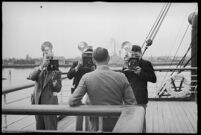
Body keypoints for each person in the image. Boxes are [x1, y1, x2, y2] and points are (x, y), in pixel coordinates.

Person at [69, 47, 137, 132]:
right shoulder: (121, 77)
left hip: (95, 124)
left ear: (93, 60)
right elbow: (132, 103)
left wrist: (84, 105)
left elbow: (72, 101)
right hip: (117, 122)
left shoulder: (86, 77)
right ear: (108, 58)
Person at [28, 41, 62, 130]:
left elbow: (58, 89)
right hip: (38, 104)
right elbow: (31, 77)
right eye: (47, 58)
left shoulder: (57, 71)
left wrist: (55, 84)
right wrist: (42, 66)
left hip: (50, 105)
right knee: (39, 128)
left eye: (51, 58)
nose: (49, 60)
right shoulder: (38, 69)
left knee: (51, 128)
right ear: (43, 58)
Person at [122, 45, 156, 132]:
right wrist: (125, 67)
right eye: (132, 55)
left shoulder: (146, 64)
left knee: (141, 120)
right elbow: (123, 79)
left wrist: (141, 72)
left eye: (136, 55)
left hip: (141, 96)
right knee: (129, 119)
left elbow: (153, 79)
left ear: (141, 54)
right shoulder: (127, 64)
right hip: (129, 96)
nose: (134, 57)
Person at [67, 42, 96, 131]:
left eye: (90, 55)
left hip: (90, 92)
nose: (88, 57)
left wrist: (94, 69)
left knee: (89, 116)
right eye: (86, 54)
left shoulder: (94, 64)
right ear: (83, 54)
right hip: (78, 91)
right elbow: (69, 76)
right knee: (79, 116)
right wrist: (77, 67)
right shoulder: (77, 63)